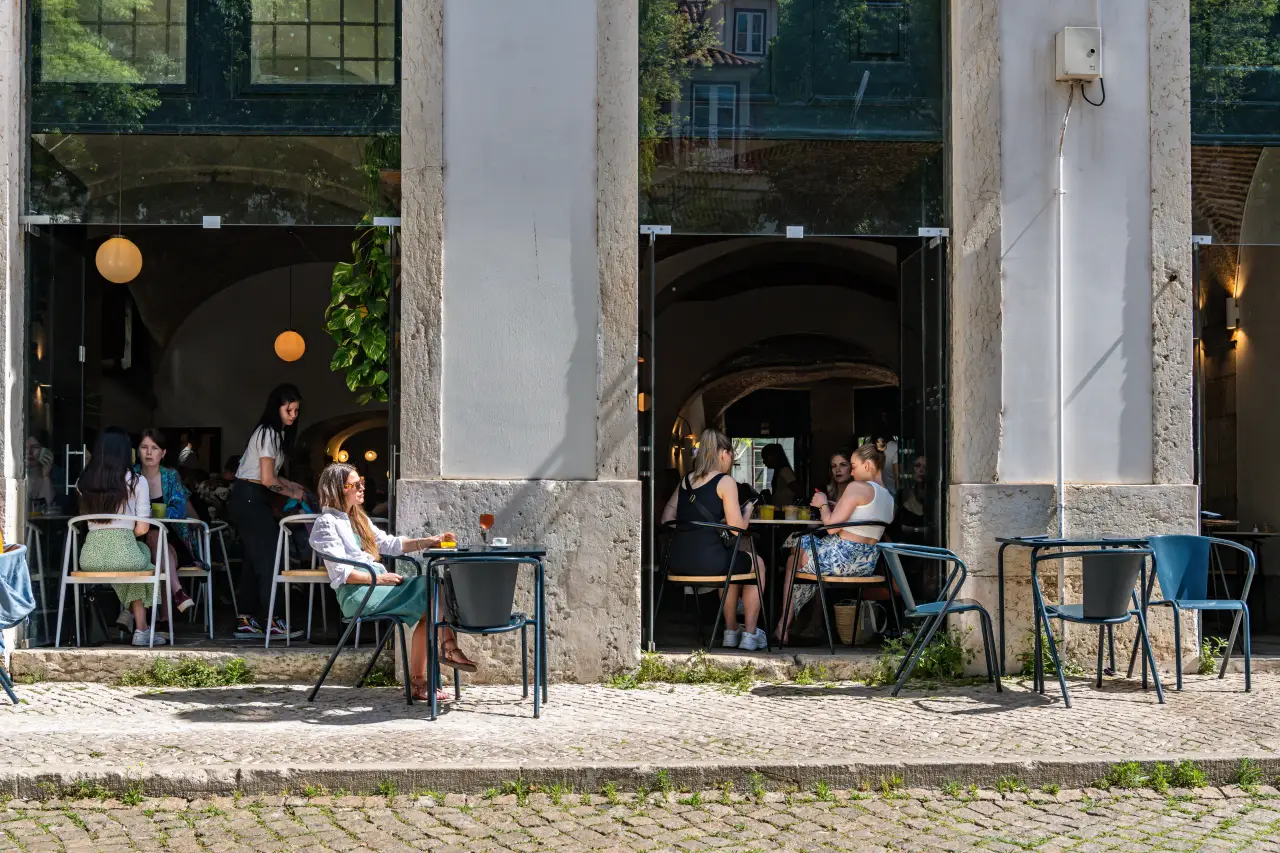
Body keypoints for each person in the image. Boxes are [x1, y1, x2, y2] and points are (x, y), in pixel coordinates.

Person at [309, 463, 466, 702]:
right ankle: (446, 651)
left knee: (434, 593)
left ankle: (420, 680)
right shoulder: (326, 523)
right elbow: (341, 573)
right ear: (339, 489)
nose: (363, 488)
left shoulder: (357, 519)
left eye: (361, 482)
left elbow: (390, 544)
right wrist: (379, 578)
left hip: (375, 587)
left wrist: (429, 541)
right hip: (357, 592)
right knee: (431, 587)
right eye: (356, 484)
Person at [661, 429, 769, 651]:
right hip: (712, 562)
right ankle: (749, 634)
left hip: (678, 563)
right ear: (723, 453)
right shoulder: (725, 482)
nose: (731, 460)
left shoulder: (685, 482)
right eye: (731, 455)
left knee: (732, 565)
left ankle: (731, 631)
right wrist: (747, 509)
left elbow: (666, 519)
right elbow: (738, 530)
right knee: (756, 563)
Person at [775, 443, 894, 644]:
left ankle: (783, 625)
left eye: (853, 466)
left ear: (867, 465)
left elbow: (831, 527)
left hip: (840, 562)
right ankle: (796, 622)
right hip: (865, 565)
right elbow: (862, 522)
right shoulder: (889, 497)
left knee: (794, 554)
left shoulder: (856, 487)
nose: (853, 473)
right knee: (801, 548)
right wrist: (835, 507)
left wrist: (822, 503)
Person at [227, 384, 309, 640]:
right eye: (289, 409)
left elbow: (269, 477)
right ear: (277, 408)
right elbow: (265, 479)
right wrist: (292, 492)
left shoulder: (274, 434)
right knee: (269, 559)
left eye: (296, 410)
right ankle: (272, 620)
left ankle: (247, 619)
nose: (293, 415)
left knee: (255, 562)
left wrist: (289, 484)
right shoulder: (269, 433)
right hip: (251, 497)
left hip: (249, 498)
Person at [75, 427, 168, 646]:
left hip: (89, 559)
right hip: (125, 555)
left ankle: (132, 619)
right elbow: (143, 529)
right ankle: (142, 629)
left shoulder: (83, 481)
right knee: (142, 561)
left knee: (136, 562)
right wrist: (124, 534)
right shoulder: (136, 481)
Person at [131, 429, 199, 623]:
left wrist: (149, 516)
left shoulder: (170, 476)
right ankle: (173, 602)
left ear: (164, 453)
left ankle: (134, 615)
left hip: (172, 536)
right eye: (144, 447)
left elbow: (178, 510)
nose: (149, 452)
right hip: (137, 538)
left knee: (156, 538)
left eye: (155, 448)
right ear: (138, 451)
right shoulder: (131, 476)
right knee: (154, 541)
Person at [760, 444, 800, 508]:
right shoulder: (778, 471)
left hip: (785, 511)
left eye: (766, 458)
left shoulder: (785, 471)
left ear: (774, 457)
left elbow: (797, 491)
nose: (764, 462)